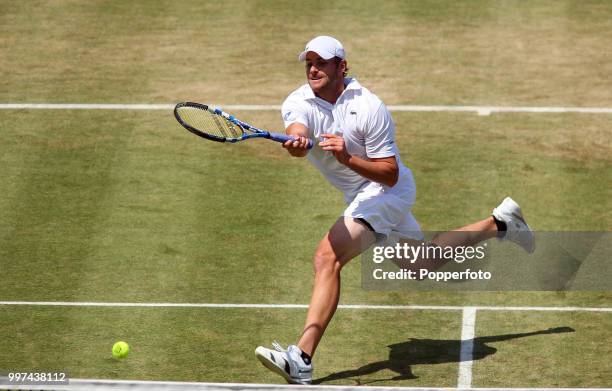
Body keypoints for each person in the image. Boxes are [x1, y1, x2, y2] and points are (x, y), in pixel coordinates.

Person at [254, 36, 534, 385]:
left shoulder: (370, 106)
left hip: (387, 190)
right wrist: (296, 142)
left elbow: (389, 172)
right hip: (361, 194)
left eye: (321, 62)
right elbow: (297, 130)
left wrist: (346, 157)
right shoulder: (298, 101)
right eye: (308, 62)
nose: (313, 68)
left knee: (328, 257)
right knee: (420, 264)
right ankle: (501, 222)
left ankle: (301, 358)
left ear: (341, 66)